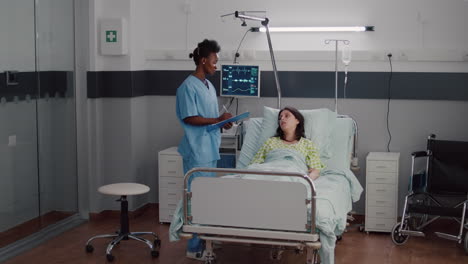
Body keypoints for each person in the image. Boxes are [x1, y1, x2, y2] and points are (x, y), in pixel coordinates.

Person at [175, 39, 232, 260]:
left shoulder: (209, 86)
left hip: (210, 149)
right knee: (195, 199)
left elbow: (211, 118)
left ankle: (206, 238)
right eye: (214, 61)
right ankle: (193, 247)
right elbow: (190, 117)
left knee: (207, 197)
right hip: (196, 151)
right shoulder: (187, 87)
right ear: (203, 60)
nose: (216, 65)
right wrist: (217, 119)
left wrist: (223, 122)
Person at [250, 106, 324, 180]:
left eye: (287, 116)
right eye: (280, 117)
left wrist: (305, 181)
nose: (282, 119)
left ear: (297, 120)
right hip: (269, 172)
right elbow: (255, 164)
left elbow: (315, 170)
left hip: (293, 174)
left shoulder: (307, 144)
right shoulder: (271, 141)